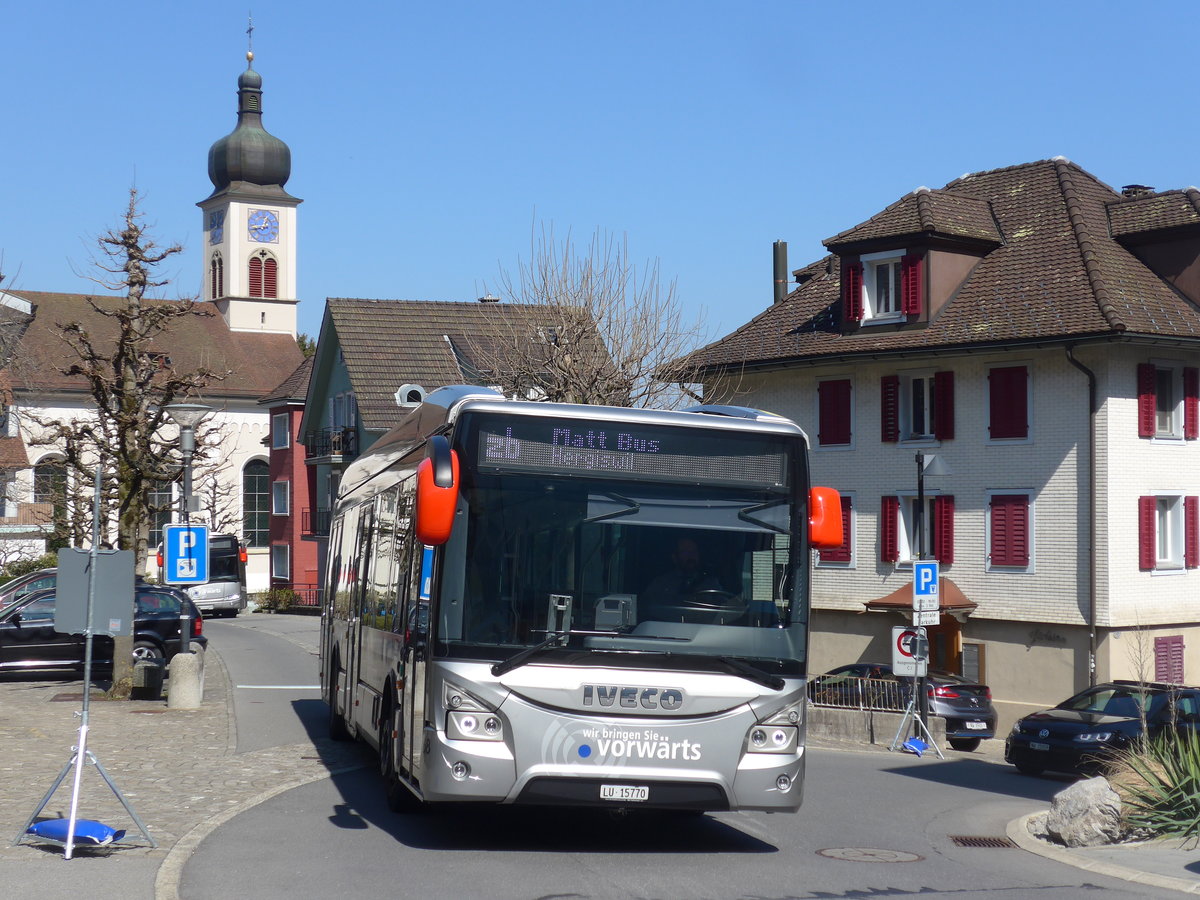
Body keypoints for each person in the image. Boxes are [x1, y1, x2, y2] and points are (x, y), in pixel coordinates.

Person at [641, 537, 724, 620]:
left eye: (694, 551)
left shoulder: (711, 584)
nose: (691, 556)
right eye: (685, 552)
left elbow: (723, 611)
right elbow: (647, 610)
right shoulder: (660, 584)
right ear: (675, 557)